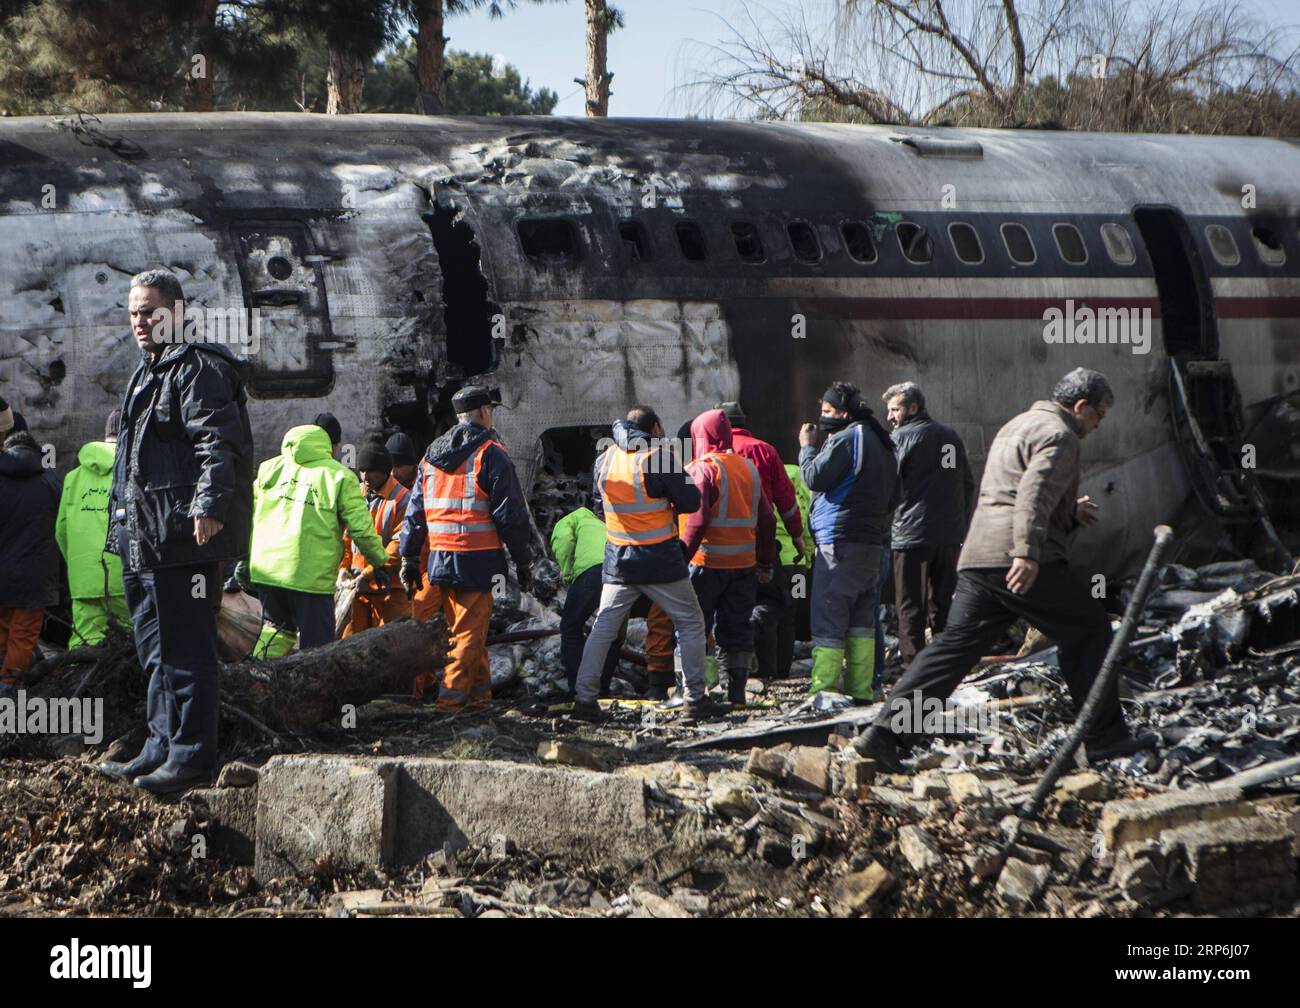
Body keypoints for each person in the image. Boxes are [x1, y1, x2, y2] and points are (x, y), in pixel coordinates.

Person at [854, 368, 1156, 770]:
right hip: (1020, 559)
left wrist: (1068, 512)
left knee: (951, 650)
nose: (1099, 423)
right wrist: (1027, 552)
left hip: (980, 558)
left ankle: (884, 734)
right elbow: (1033, 494)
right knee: (1089, 629)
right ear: (1080, 406)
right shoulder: (1060, 435)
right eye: (1098, 414)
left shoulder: (1018, 424)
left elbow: (1010, 491)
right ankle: (1105, 737)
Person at [99, 269, 254, 796]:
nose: (140, 321)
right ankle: (160, 746)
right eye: (134, 312)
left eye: (150, 311)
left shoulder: (199, 369)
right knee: (154, 651)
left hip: (181, 538)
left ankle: (191, 757)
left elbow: (218, 441)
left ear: (177, 313)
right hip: (144, 539)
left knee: (186, 652)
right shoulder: (147, 372)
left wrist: (208, 506)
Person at [568, 406, 724, 724]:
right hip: (660, 559)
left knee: (603, 628)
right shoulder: (657, 455)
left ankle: (584, 700)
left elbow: (599, 510)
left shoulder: (605, 459)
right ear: (654, 428)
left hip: (619, 561)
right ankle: (695, 700)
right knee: (691, 622)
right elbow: (691, 501)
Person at [399, 385, 532, 711]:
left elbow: (415, 513)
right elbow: (510, 516)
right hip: (477, 559)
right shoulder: (491, 454)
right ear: (486, 412)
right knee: (468, 636)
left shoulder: (431, 456)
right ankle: (450, 705)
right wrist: (523, 561)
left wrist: (409, 557)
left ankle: (479, 700)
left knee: (470, 631)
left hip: (441, 560)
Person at [248, 424, 390, 651]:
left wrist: (246, 562)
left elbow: (251, 516)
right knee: (318, 647)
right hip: (309, 576)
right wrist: (379, 561)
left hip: (267, 572)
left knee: (276, 633)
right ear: (329, 447)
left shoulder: (268, 469)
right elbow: (360, 529)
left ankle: (256, 679)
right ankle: (313, 687)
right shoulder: (339, 476)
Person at [799, 382, 898, 700]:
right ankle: (861, 691)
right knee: (862, 622)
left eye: (827, 411)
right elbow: (896, 495)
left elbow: (814, 477)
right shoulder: (882, 444)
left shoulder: (847, 439)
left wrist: (807, 447)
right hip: (872, 545)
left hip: (840, 544)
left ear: (844, 412)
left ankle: (824, 690)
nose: (822, 417)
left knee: (829, 614)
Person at [681, 409, 777, 705]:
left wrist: (680, 558)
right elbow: (768, 520)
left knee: (693, 627)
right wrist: (764, 561)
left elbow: (696, 522)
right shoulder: (749, 469)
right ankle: (736, 693)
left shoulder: (700, 469)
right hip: (743, 567)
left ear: (702, 436)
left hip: (706, 565)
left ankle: (694, 692)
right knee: (736, 628)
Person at [883, 381, 975, 667]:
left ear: (913, 408)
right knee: (944, 603)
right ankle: (946, 665)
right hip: (947, 536)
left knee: (910, 606)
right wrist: (957, 522)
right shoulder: (950, 437)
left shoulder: (899, 440)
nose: (889, 417)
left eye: (894, 409)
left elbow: (887, 486)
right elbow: (967, 484)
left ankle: (915, 668)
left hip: (910, 536)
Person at [716, 402, 806, 683]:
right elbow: (786, 499)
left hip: (718, 545)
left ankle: (729, 675)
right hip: (759, 541)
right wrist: (797, 535)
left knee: (726, 605)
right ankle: (775, 672)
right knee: (777, 601)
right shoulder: (764, 450)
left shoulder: (709, 455)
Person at [56, 410, 129, 647]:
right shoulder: (135, 472)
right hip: (125, 576)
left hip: (83, 576)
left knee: (83, 644)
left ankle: (75, 683)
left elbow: (61, 530)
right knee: (131, 647)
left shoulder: (73, 478)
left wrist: (77, 564)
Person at [0, 432, 61, 698]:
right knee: (23, 635)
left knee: (2, 629)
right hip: (35, 576)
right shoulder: (51, 482)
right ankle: (9, 689)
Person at [341, 437, 412, 637]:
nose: (365, 477)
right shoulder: (356, 493)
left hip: (391, 591)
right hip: (357, 589)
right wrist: (343, 568)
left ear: (385, 471)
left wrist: (369, 572)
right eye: (361, 471)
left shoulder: (403, 499)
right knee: (350, 648)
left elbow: (398, 546)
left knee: (393, 649)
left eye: (370, 471)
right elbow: (345, 537)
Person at [551, 503, 620, 698]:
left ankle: (576, 689)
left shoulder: (574, 517)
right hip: (620, 572)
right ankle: (603, 689)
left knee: (571, 628)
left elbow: (562, 541)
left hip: (592, 571)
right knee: (611, 633)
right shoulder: (609, 523)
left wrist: (567, 574)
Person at [754, 462, 811, 680]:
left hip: (776, 563)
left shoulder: (770, 494)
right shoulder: (802, 497)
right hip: (797, 567)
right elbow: (807, 531)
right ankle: (784, 669)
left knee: (770, 615)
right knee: (791, 615)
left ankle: (768, 669)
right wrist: (807, 561)